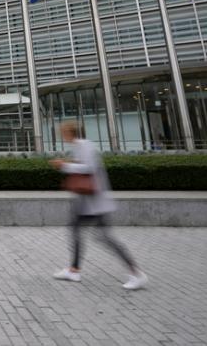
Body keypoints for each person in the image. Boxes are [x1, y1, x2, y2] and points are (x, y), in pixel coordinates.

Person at [49, 120, 148, 290]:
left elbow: (89, 168)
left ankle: (136, 273)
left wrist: (64, 165)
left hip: (94, 202)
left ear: (70, 133)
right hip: (86, 202)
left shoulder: (86, 146)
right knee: (75, 230)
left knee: (104, 237)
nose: (62, 136)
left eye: (64, 133)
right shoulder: (79, 146)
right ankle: (74, 269)